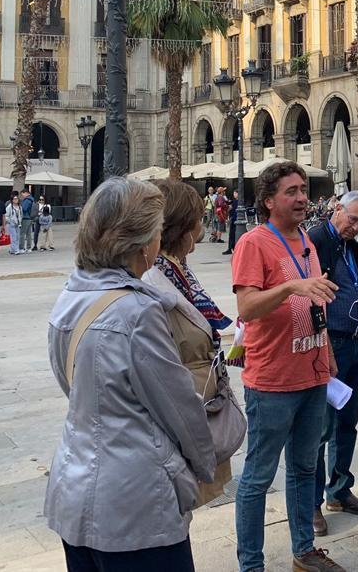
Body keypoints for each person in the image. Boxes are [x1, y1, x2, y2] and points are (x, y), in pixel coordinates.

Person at [46, 177, 216, 571]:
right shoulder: (137, 313)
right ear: (143, 245)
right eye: (157, 232)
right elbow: (178, 407)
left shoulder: (70, 297)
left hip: (73, 487)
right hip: (137, 504)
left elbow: (68, 383)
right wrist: (204, 464)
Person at [231, 161, 345, 572]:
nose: (302, 197)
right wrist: (291, 286)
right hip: (272, 381)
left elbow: (316, 301)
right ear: (268, 200)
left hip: (313, 375)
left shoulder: (308, 243)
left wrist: (327, 353)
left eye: (303, 190)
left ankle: (304, 552)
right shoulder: (254, 243)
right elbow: (246, 307)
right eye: (291, 191)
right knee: (258, 477)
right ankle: (252, 565)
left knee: (304, 467)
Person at [142, 179, 238, 507]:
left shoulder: (178, 269)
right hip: (176, 427)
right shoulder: (152, 281)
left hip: (198, 413)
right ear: (183, 225)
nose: (202, 224)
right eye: (197, 217)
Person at [306, 191, 358, 536]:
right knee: (320, 429)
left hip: (353, 344)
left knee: (346, 423)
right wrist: (321, 345)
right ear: (336, 208)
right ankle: (311, 505)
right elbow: (308, 295)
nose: (356, 226)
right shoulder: (317, 240)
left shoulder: (352, 242)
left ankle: (339, 490)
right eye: (352, 219)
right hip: (328, 343)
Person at [223, 189, 242, 255]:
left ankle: (232, 248)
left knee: (232, 234)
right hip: (235, 219)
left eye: (234, 193)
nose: (234, 195)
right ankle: (232, 248)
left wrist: (231, 219)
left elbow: (234, 210)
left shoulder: (237, 202)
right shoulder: (237, 201)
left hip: (235, 219)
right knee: (233, 234)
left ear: (237, 194)